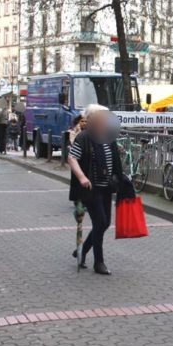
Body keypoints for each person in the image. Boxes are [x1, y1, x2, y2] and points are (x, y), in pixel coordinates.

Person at [67, 104, 124, 275]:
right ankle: (99, 263)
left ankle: (82, 251)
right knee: (100, 222)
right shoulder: (84, 137)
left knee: (104, 223)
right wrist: (82, 177)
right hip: (90, 189)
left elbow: (113, 160)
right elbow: (72, 158)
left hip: (106, 187)